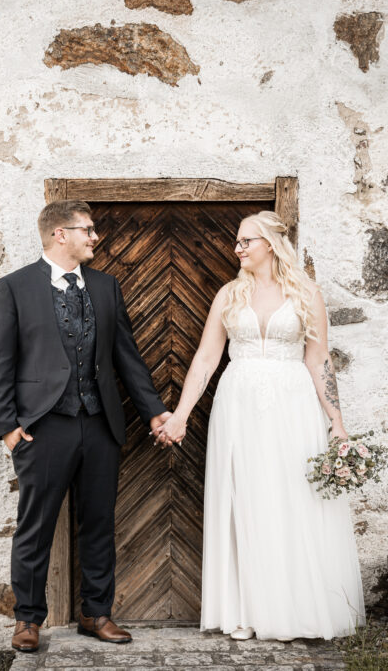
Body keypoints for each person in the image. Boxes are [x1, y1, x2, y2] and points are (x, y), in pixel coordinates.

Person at [156, 210, 365, 641]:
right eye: (237, 241)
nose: (238, 248)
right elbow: (207, 358)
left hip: (293, 405)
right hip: (239, 406)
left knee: (294, 499)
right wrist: (181, 414)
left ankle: (297, 609)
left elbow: (318, 359)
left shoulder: (306, 293)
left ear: (270, 243)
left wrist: (336, 423)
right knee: (246, 500)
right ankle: (247, 610)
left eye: (246, 241)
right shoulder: (229, 295)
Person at [0, 199, 172, 653]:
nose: (95, 237)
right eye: (86, 229)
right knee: (36, 525)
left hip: (100, 424)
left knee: (98, 524)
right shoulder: (14, 287)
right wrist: (8, 427)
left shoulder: (106, 287)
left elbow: (126, 357)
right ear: (58, 234)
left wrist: (154, 410)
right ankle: (28, 620)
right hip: (43, 427)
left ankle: (95, 613)